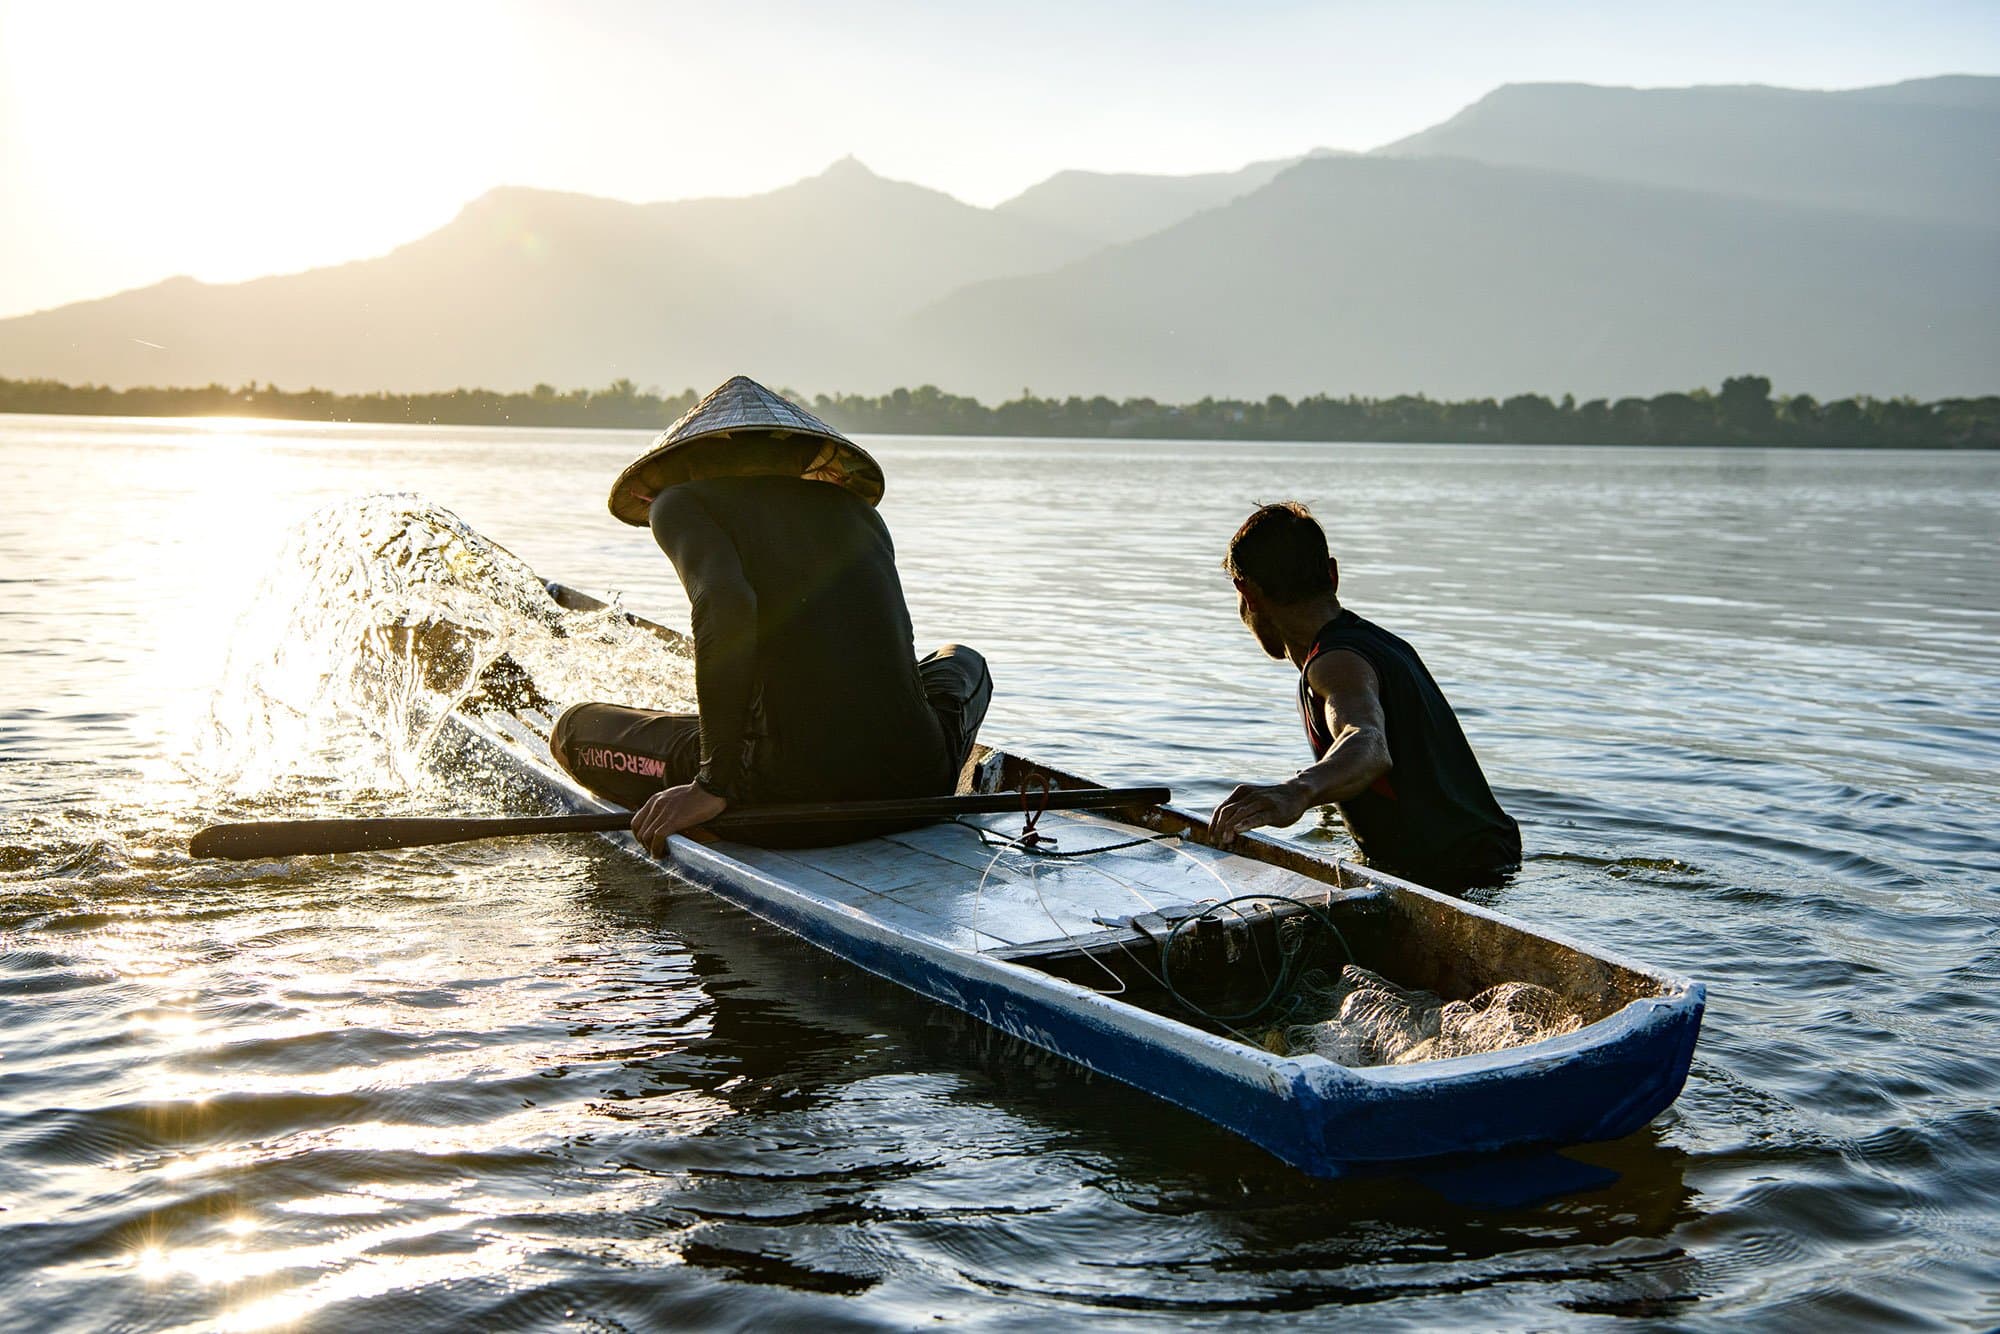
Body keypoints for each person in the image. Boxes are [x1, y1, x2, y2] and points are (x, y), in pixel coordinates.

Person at [550, 375, 992, 854]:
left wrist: (714, 784)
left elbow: (725, 606)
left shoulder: (680, 504)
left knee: (572, 729)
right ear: (798, 456)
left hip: (780, 795)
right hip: (920, 778)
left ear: (692, 460)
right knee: (963, 660)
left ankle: (721, 783)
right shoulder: (858, 512)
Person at [1210, 501, 1520, 885]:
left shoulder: (1334, 663)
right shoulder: (1382, 645)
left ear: (1247, 593)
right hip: (1497, 858)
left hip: (1456, 877)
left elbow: (1368, 742)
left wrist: (1297, 790)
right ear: (1332, 574)